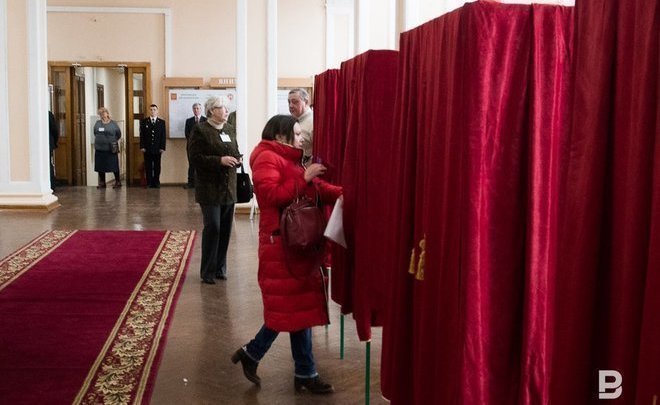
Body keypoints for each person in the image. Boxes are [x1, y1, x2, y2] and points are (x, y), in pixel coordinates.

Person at [231, 114, 341, 395]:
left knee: (296, 308)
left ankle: (301, 370)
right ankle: (258, 355)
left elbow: (315, 189)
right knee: (288, 308)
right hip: (280, 244)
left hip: (293, 245)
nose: (302, 138)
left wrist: (343, 194)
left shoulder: (288, 158)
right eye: (297, 133)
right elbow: (271, 196)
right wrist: (305, 177)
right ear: (280, 135)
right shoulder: (267, 157)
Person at [188, 96, 240, 284]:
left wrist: (237, 159)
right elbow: (195, 158)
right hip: (209, 187)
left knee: (225, 229)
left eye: (226, 107)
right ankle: (207, 271)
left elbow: (234, 150)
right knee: (213, 227)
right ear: (211, 110)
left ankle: (220, 268)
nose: (226, 110)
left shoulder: (229, 129)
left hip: (228, 187)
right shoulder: (200, 130)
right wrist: (219, 161)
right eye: (222, 107)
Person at [93, 107, 122, 189]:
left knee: (114, 165)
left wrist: (112, 140)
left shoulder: (113, 123)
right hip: (100, 149)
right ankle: (102, 182)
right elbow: (95, 133)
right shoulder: (97, 123)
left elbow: (118, 134)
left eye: (103, 113)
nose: (102, 115)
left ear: (107, 113)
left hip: (111, 149)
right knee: (100, 166)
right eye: (100, 113)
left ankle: (118, 181)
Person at [140, 104, 167, 188]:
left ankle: (156, 182)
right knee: (148, 166)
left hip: (157, 148)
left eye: (154, 109)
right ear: (149, 111)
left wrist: (162, 147)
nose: (152, 111)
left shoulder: (161, 122)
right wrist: (142, 146)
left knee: (157, 166)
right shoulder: (144, 121)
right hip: (147, 148)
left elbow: (163, 136)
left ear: (157, 111)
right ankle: (149, 182)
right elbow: (142, 135)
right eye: (151, 110)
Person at [183, 102, 206, 189]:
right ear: (193, 110)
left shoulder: (206, 120)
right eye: (195, 108)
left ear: (201, 109)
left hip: (203, 147)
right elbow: (187, 134)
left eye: (198, 108)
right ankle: (191, 183)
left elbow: (207, 134)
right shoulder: (189, 121)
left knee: (202, 165)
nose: (196, 110)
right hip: (191, 146)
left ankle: (202, 183)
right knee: (191, 165)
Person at [288, 88, 313, 161]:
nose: (290, 105)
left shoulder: (313, 122)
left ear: (306, 102)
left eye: (295, 102)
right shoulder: (291, 121)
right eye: (289, 102)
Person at [48, 111, 59, 188]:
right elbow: (54, 130)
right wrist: (55, 141)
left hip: (46, 143)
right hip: (49, 142)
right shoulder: (48, 114)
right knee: (48, 163)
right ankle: (51, 185)